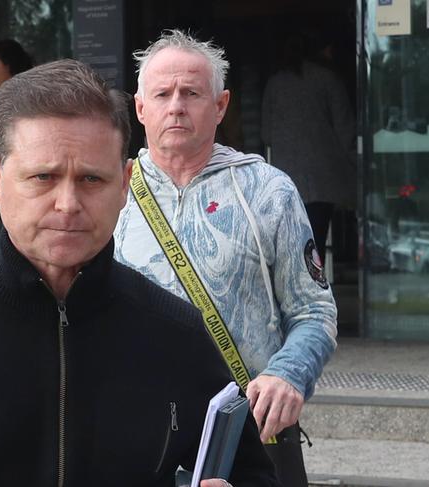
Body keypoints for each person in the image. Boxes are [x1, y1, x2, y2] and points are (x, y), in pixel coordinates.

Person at [0, 59, 278, 487]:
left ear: (125, 184)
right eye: (43, 177)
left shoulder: (176, 331)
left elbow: (251, 475)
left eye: (91, 179)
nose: (67, 203)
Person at [114, 30, 338, 487]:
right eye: (162, 93)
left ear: (220, 106)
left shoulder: (268, 191)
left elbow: (314, 311)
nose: (176, 105)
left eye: (191, 93)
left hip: (253, 435)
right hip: (138, 437)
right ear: (141, 108)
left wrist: (288, 375)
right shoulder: (109, 193)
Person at [261, 31, 356, 262]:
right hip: (324, 174)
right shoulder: (328, 79)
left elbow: (266, 134)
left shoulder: (274, 84)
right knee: (318, 240)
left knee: (292, 243)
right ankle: (318, 285)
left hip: (287, 176)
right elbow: (346, 129)